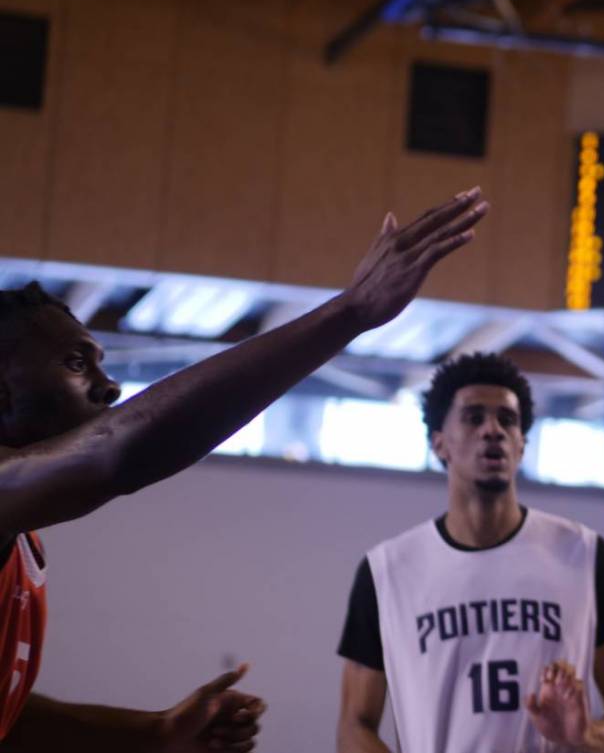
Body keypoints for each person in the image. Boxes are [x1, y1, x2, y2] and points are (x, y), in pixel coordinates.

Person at [0, 187, 486, 750]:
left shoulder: (23, 539)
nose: (108, 387)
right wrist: (348, 313)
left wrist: (153, 732)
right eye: (76, 363)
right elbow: (117, 452)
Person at [335, 352, 604, 753]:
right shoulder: (387, 571)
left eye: (507, 420)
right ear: (439, 443)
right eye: (474, 417)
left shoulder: (584, 554)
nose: (492, 430)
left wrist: (586, 737)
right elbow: (353, 726)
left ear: (522, 445)